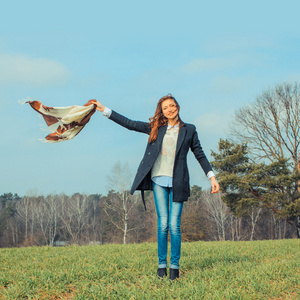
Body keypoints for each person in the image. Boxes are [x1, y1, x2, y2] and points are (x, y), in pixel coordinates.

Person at [92, 94, 219, 280]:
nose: (170, 109)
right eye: (166, 107)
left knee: (175, 226)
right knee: (163, 224)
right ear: (162, 111)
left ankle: (174, 267)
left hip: (178, 181)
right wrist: (105, 110)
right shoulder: (156, 128)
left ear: (178, 107)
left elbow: (199, 153)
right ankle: (161, 266)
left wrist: (212, 177)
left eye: (172, 105)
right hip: (158, 179)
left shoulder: (189, 130)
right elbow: (130, 124)